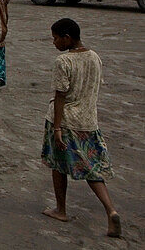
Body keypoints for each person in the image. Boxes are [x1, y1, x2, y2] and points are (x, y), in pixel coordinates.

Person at [41, 18, 120, 238]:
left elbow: (60, 96)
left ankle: (61, 209)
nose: (54, 42)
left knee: (58, 164)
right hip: (88, 121)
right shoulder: (94, 57)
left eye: (56, 38)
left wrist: (57, 128)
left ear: (67, 38)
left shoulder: (63, 61)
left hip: (66, 121)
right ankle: (110, 209)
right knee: (92, 169)